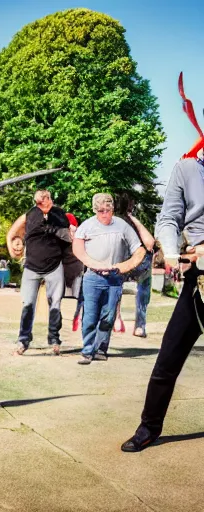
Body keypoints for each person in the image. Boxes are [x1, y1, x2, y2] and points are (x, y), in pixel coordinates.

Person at [121, 152, 204, 452]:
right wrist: (170, 251)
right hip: (199, 280)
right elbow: (169, 217)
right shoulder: (186, 169)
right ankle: (149, 426)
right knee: (168, 357)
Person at [72, 193, 146, 365]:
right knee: (90, 315)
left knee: (108, 316)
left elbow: (139, 251)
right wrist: (95, 264)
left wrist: (124, 267)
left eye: (107, 210)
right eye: (100, 211)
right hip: (92, 277)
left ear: (112, 209)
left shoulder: (122, 226)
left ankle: (101, 349)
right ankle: (87, 350)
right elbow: (78, 249)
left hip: (114, 278)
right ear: (94, 210)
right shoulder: (87, 226)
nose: (104, 214)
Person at [7, 190, 73, 356]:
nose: (45, 202)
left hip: (54, 265)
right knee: (28, 304)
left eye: (47, 199)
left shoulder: (60, 215)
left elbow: (71, 235)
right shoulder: (29, 215)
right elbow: (12, 234)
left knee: (55, 305)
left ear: (51, 199)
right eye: (41, 200)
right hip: (31, 266)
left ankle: (54, 340)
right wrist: (13, 250)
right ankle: (23, 340)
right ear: (36, 202)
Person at [112, 193, 156, 337]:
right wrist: (134, 219)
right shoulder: (132, 221)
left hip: (121, 262)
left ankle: (117, 319)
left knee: (116, 288)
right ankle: (140, 326)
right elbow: (150, 244)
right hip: (138, 262)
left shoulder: (112, 221)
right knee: (143, 292)